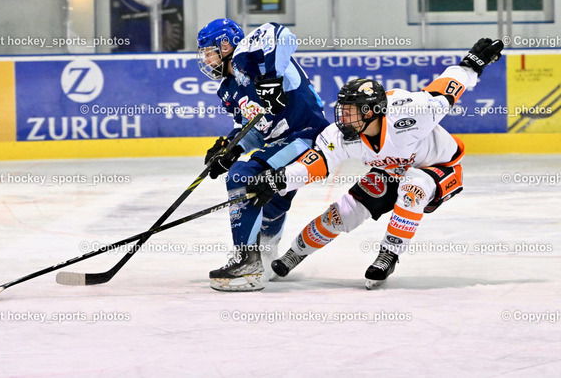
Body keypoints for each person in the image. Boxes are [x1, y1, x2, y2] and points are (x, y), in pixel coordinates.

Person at [245, 38, 504, 289]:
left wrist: (471, 66)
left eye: (351, 111)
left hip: (439, 169)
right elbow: (316, 164)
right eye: (343, 110)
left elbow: (446, 88)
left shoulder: (412, 113)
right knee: (342, 213)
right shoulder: (340, 136)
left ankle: (388, 255)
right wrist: (279, 179)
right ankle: (294, 254)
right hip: (390, 171)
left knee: (414, 187)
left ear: (371, 112)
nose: (343, 118)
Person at [196, 18, 329, 292]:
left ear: (225, 44)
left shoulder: (248, 55)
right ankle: (264, 256)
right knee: (269, 197)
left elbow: (283, 35)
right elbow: (257, 130)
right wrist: (231, 149)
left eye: (209, 50)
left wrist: (271, 77)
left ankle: (248, 261)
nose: (207, 59)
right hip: (282, 142)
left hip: (306, 135)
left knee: (243, 177)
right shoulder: (229, 89)